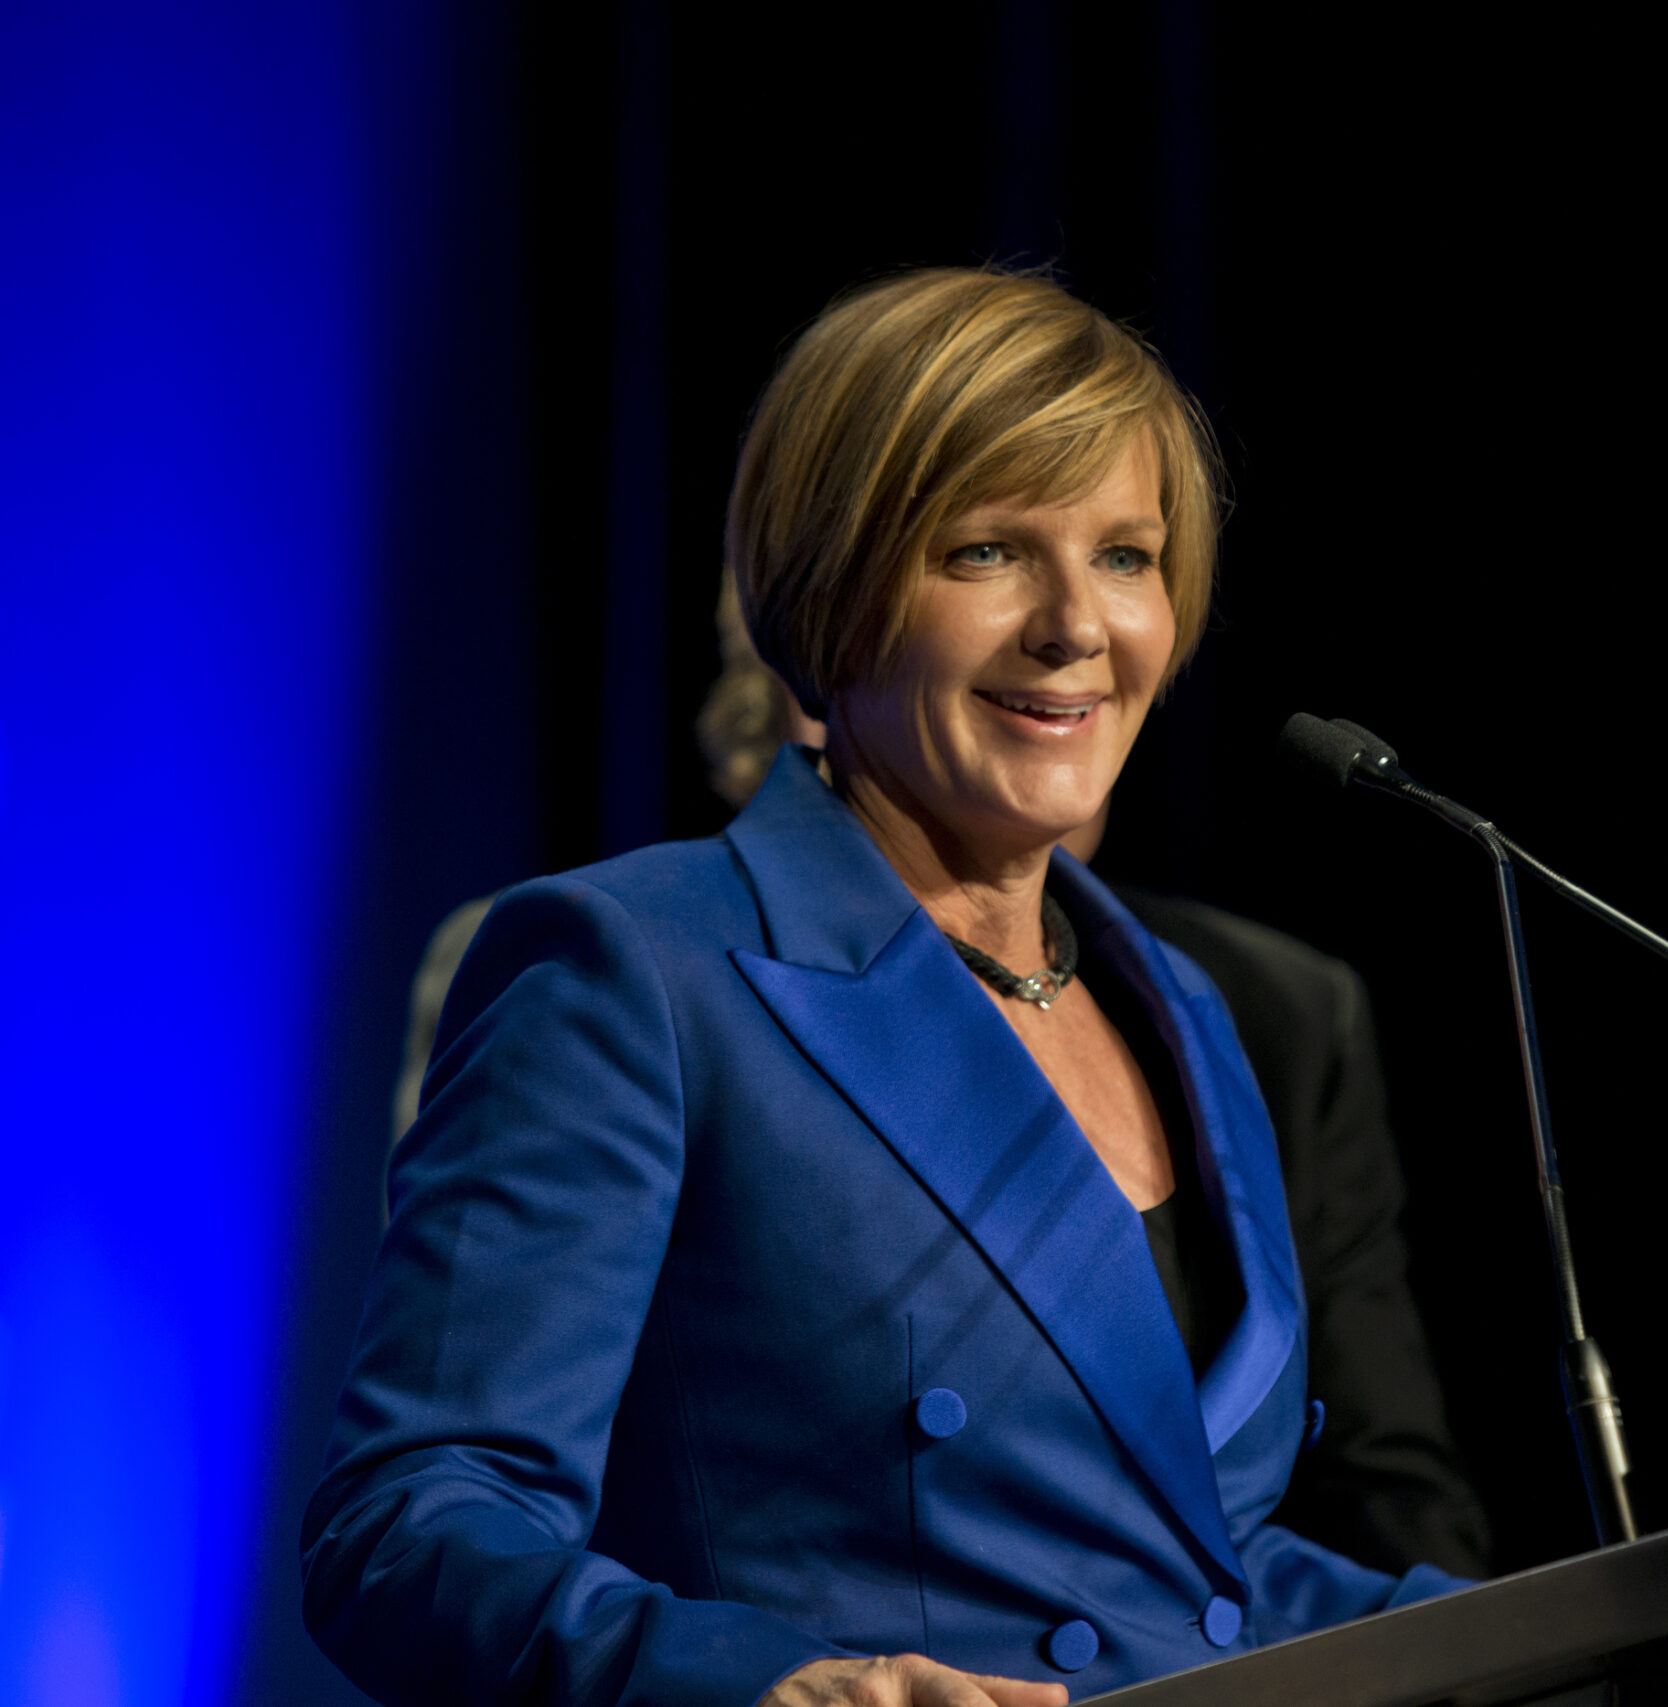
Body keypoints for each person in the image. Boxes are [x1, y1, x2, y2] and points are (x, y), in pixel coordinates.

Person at [307, 268, 1464, 1707]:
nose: (1075, 625)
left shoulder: (1183, 1007)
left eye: (1126, 556)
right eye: (986, 551)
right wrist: (778, 1687)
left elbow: (1194, 1577)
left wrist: (1602, 1621)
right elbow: (412, 1526)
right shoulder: (633, 966)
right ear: (834, 584)